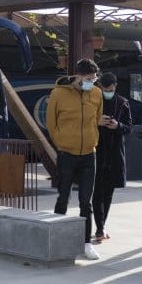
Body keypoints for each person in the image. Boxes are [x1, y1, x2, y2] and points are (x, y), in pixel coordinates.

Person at [47, 58, 103, 260]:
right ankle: (55, 239)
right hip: (66, 153)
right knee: (63, 197)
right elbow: (51, 123)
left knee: (86, 201)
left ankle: (86, 242)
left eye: (94, 79)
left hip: (89, 153)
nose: (91, 82)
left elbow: (97, 119)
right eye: (88, 79)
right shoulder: (58, 93)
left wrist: (93, 139)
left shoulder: (96, 93)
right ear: (78, 76)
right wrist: (61, 142)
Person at [92, 72, 132, 243]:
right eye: (105, 89)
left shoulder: (122, 102)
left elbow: (129, 127)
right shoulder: (94, 101)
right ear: (100, 86)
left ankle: (101, 226)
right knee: (97, 193)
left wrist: (117, 125)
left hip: (114, 152)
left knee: (108, 192)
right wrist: (97, 122)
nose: (108, 92)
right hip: (97, 150)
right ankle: (99, 228)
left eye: (111, 89)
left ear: (115, 86)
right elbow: (84, 122)